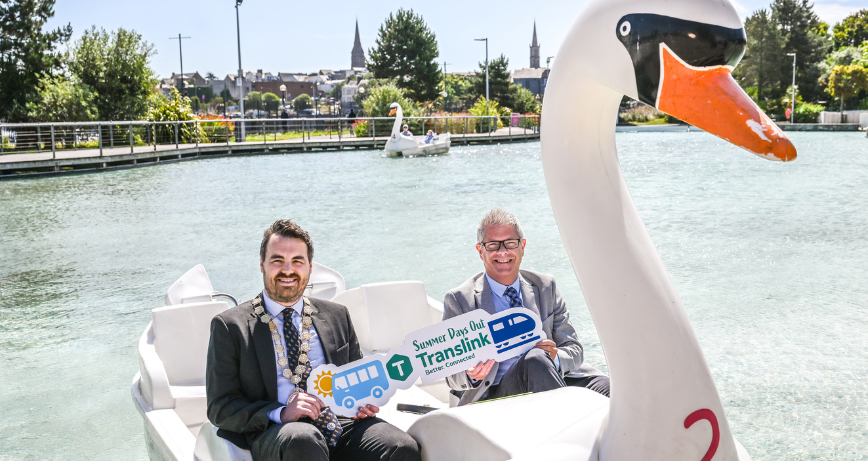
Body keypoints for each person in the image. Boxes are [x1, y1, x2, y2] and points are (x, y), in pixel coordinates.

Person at [206, 219, 421, 461]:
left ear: (309, 267)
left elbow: (357, 377)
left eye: (297, 261)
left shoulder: (337, 314)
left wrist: (363, 403)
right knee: (303, 439)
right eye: (277, 260)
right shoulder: (230, 326)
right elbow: (220, 408)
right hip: (276, 431)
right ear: (262, 265)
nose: (288, 270)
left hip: (341, 422)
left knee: (400, 446)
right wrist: (281, 413)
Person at [443, 208, 610, 406]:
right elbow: (451, 375)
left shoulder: (545, 286)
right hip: (498, 393)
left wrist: (554, 358)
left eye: (510, 243)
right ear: (480, 251)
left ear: (522, 245)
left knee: (613, 390)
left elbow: (574, 350)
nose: (502, 251)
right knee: (535, 360)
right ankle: (572, 421)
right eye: (493, 245)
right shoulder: (460, 300)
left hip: (555, 376)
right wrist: (471, 374)